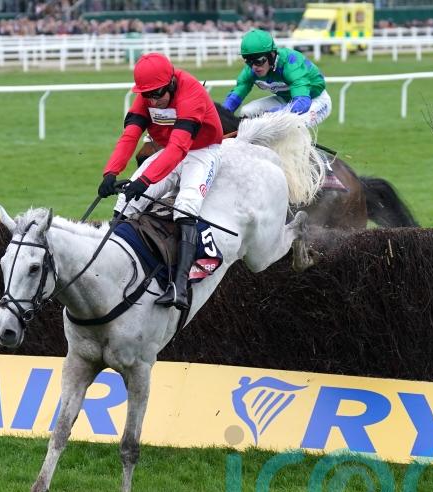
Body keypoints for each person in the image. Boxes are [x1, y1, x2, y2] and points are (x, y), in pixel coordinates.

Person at [97, 52, 223, 311]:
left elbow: (179, 148)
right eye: (147, 95)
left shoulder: (191, 94)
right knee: (125, 202)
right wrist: (110, 173)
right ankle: (112, 269)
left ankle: (178, 287)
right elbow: (130, 136)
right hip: (169, 150)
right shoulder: (146, 97)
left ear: (172, 84)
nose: (153, 100)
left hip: (202, 151)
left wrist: (144, 180)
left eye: (158, 93)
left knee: (187, 205)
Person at [222, 28, 332, 128]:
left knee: (289, 125)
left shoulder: (292, 65)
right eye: (249, 61)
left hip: (314, 100)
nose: (254, 67)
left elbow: (302, 103)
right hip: (285, 100)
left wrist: (272, 114)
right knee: (247, 112)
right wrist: (221, 115)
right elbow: (234, 98)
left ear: (272, 55)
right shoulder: (250, 70)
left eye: (259, 61)